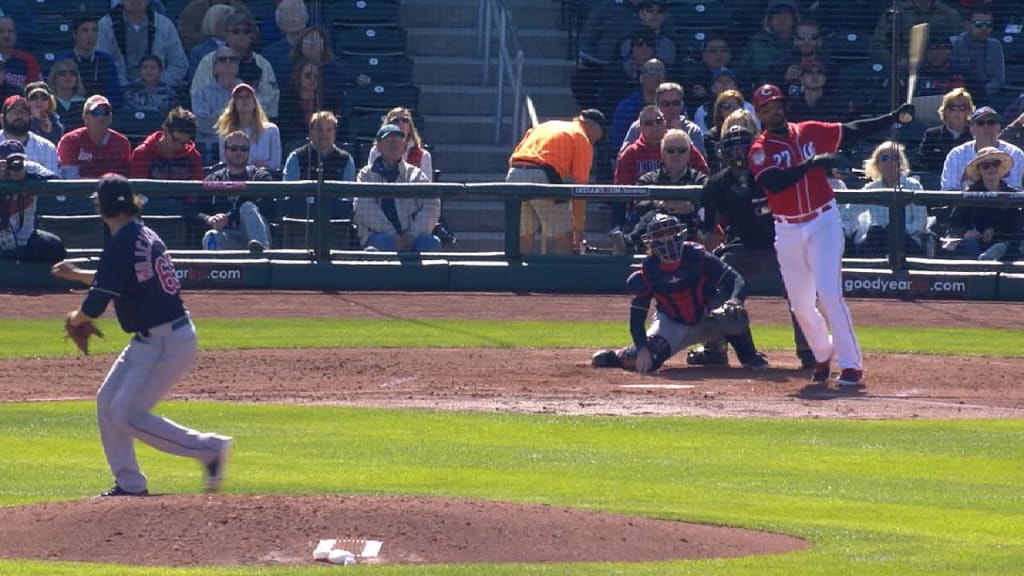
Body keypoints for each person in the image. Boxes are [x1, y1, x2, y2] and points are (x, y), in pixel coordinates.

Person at [49, 173, 233, 498]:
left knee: (128, 414)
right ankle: (129, 484)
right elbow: (118, 276)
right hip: (156, 339)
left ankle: (209, 449)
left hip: (166, 341)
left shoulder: (121, 242)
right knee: (107, 402)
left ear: (100, 207)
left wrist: (75, 319)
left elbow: (94, 305)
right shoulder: (140, 233)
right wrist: (78, 276)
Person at [747, 83, 915, 388]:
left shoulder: (809, 131)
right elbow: (774, 183)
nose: (773, 112)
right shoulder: (760, 149)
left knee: (829, 293)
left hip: (823, 220)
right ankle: (822, 354)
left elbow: (851, 130)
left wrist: (891, 118)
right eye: (766, 109)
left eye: (776, 105)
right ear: (759, 114)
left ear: (784, 105)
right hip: (787, 228)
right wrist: (812, 163)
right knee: (800, 304)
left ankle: (851, 366)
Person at [695, 125, 814, 369]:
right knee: (713, 284)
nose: (738, 156)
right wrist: (711, 256)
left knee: (801, 288)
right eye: (732, 150)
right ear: (722, 153)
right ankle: (715, 347)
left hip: (779, 244)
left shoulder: (770, 175)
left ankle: (808, 349)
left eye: (743, 149)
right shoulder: (716, 183)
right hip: (740, 248)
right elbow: (706, 231)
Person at [590, 213, 770, 373]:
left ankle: (747, 355)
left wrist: (735, 301)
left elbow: (736, 280)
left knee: (730, 310)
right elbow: (637, 318)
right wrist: (642, 348)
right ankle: (619, 354)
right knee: (639, 361)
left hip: (708, 317)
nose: (667, 240)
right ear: (650, 242)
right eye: (660, 236)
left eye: (671, 233)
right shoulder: (649, 270)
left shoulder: (697, 255)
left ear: (681, 234)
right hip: (672, 324)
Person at [506, 109, 605, 254]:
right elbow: (580, 188)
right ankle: (564, 275)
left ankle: (515, 275)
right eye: (599, 136)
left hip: (514, 174)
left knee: (523, 236)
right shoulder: (582, 137)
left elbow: (515, 155)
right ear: (592, 125)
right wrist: (578, 228)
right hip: (542, 177)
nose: (596, 141)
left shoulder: (544, 126)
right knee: (564, 236)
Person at [354, 124, 440, 252]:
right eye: (388, 140)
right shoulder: (366, 175)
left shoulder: (415, 174)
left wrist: (412, 234)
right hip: (378, 235)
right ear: (378, 146)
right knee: (381, 245)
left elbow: (432, 206)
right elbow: (363, 207)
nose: (394, 144)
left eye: (398, 140)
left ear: (404, 146)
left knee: (431, 243)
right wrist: (392, 235)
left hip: (412, 235)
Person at [843, 141, 931, 257]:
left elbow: (920, 224)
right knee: (875, 231)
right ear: (877, 164)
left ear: (901, 162)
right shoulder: (870, 189)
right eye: (885, 158)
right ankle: (869, 274)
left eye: (895, 157)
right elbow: (848, 213)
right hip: (877, 241)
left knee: (891, 230)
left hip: (907, 240)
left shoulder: (914, 186)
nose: (891, 162)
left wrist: (893, 230)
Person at [191, 11, 279, 118]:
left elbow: (270, 99)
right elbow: (197, 95)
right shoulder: (209, 61)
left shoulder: (262, 64)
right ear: (226, 34)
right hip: (213, 125)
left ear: (252, 36)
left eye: (246, 31)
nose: (241, 35)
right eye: (236, 31)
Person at [199, 130, 273, 253]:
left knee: (247, 207)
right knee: (210, 236)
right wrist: (210, 219)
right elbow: (194, 209)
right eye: (233, 148)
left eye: (243, 149)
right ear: (225, 151)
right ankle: (217, 271)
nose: (239, 152)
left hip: (258, 237)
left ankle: (262, 260)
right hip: (229, 236)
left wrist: (228, 217)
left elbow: (266, 205)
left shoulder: (260, 176)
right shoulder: (214, 178)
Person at [945, 147, 1023, 261]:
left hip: (1006, 243)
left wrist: (995, 233)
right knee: (970, 246)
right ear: (979, 170)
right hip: (976, 244)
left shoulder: (1012, 194)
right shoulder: (969, 194)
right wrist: (967, 233)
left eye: (995, 164)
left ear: (1001, 167)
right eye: (985, 165)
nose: (991, 168)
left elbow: (1017, 227)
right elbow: (955, 224)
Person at [0, 140, 66, 263]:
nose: (12, 166)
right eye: (7, 162)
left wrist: (27, 176)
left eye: (17, 161)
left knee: (52, 245)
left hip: (27, 238)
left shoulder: (29, 168)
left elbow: (55, 180)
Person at [98, 0, 189, 88]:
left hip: (159, 93)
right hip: (118, 92)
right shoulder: (105, 25)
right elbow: (100, 65)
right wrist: (125, 88)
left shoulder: (165, 25)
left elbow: (179, 64)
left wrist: (157, 83)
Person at [941, 106, 1024, 191]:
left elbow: (1016, 194)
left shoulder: (1016, 154)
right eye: (980, 123)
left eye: (991, 122)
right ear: (971, 129)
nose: (986, 126)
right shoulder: (956, 155)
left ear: (999, 127)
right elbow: (949, 192)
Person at [56, 95, 133, 179]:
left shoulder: (121, 143)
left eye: (105, 112)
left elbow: (125, 178)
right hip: (80, 191)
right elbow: (70, 180)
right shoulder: (70, 141)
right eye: (95, 112)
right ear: (85, 118)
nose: (101, 117)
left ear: (110, 118)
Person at [55, 15, 123, 110]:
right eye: (85, 30)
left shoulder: (106, 60)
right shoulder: (64, 59)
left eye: (94, 30)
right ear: (75, 35)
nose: (90, 36)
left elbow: (115, 93)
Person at [215, 83, 282, 171]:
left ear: (254, 104)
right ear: (234, 104)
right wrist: (256, 164)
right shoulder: (225, 133)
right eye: (240, 97)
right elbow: (224, 164)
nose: (244, 100)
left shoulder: (272, 130)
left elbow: (275, 165)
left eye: (248, 97)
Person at [191, 46, 241, 162]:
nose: (228, 62)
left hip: (242, 146)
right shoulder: (201, 93)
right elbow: (203, 124)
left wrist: (218, 117)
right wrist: (235, 120)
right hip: (210, 149)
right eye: (222, 59)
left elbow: (251, 121)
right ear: (214, 68)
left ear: (238, 66)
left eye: (232, 59)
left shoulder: (246, 92)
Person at [129, 107, 203, 180]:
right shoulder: (142, 153)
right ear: (165, 129)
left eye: (184, 143)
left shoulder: (194, 157)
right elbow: (138, 189)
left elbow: (196, 190)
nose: (179, 146)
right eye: (175, 140)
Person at [740, 0, 800, 86]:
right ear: (769, 19)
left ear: (794, 18)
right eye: (777, 13)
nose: (782, 18)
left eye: (787, 13)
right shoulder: (757, 43)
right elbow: (750, 72)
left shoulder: (805, 41)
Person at [283, 110, 355, 181]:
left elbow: (349, 191)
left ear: (335, 132)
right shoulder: (296, 157)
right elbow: (289, 190)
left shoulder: (346, 160)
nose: (324, 134)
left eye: (329, 129)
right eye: (319, 129)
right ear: (310, 132)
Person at [949, 6, 1004, 98]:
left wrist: (980, 93)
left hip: (986, 96)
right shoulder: (954, 43)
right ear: (967, 25)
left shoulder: (995, 45)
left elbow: (998, 80)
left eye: (989, 24)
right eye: (979, 24)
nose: (984, 28)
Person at [917, 88, 974, 175]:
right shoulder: (932, 135)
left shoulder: (974, 136)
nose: (957, 112)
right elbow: (924, 163)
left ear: (968, 111)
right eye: (953, 108)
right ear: (945, 111)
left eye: (962, 108)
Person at [366, 107, 431, 181]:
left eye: (405, 120)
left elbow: (427, 188)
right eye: (396, 120)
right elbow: (372, 177)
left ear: (410, 126)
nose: (401, 124)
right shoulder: (376, 151)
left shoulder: (423, 155)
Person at [0, 95, 60, 173]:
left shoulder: (47, 148)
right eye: (14, 111)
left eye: (24, 111)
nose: (19, 115)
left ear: (30, 117)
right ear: (2, 118)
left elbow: (55, 181)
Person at [0, 15, 41, 94]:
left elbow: (33, 89)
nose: (6, 35)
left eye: (10, 31)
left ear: (15, 35)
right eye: (1, 31)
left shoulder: (28, 59)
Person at [47, 59, 88, 132]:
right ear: (54, 78)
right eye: (62, 73)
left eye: (72, 73)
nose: (68, 76)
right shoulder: (48, 103)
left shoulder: (86, 104)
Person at [24, 82, 64, 146]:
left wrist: (48, 132)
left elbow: (56, 145)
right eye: (34, 97)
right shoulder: (21, 119)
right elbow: (25, 141)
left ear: (49, 101)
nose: (39, 101)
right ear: (26, 101)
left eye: (44, 97)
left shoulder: (54, 120)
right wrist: (35, 121)